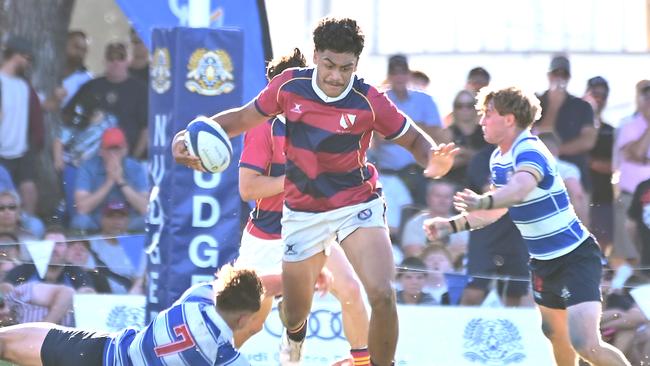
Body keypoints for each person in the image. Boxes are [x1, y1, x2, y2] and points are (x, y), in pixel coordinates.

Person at [173, 16, 457, 366]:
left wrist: (432, 158)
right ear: (316, 55)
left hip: (357, 202)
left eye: (346, 67)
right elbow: (243, 117)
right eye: (329, 65)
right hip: (302, 212)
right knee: (294, 311)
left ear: (357, 64)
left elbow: (412, 138)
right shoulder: (288, 87)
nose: (337, 75)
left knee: (380, 292)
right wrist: (188, 136)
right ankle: (293, 339)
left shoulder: (368, 99)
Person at [424, 86, 630, 365]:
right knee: (555, 335)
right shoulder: (498, 158)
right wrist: (451, 226)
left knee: (586, 344)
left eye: (488, 114)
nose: (481, 121)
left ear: (509, 119)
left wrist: (482, 202)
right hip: (543, 262)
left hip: (575, 257)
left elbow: (519, 189)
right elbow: (497, 210)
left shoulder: (529, 149)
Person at [235, 47, 370, 365]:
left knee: (350, 289)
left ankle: (361, 361)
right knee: (250, 322)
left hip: (309, 227)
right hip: (267, 236)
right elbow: (248, 188)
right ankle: (213, 354)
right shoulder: (262, 126)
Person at [0, 266, 263, 366]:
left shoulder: (196, 298)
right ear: (242, 320)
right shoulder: (227, 357)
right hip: (104, 355)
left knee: (5, 344)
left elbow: (222, 286)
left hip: (102, 353)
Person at [460, 145, 530, 307]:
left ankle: (510, 331)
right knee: (474, 293)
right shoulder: (483, 158)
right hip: (485, 232)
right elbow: (492, 192)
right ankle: (461, 330)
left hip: (519, 232)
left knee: (515, 293)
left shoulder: (531, 155)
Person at [64, 42, 148, 159]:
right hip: (91, 160)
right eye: (111, 58)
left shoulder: (141, 90)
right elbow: (70, 118)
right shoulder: (91, 87)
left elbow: (146, 129)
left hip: (126, 159)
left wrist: (134, 159)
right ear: (105, 61)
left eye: (120, 57)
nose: (115, 62)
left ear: (128, 60)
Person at [535, 54, 596, 192]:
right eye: (555, 73)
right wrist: (553, 106)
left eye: (564, 75)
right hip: (541, 176)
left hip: (575, 175)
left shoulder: (582, 106)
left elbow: (588, 141)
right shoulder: (535, 102)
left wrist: (557, 150)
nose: (559, 78)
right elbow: (538, 134)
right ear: (549, 75)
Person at [72, 127, 148, 232]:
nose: (113, 154)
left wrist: (121, 181)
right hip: (99, 220)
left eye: (117, 149)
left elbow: (145, 208)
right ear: (101, 151)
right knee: (80, 221)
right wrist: (109, 181)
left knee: (149, 220)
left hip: (127, 220)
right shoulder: (87, 167)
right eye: (109, 149)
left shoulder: (136, 168)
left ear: (125, 150)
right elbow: (82, 208)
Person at [0, 36, 44, 215]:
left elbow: (41, 107)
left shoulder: (24, 85)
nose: (28, 63)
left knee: (29, 191)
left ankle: (29, 230)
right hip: (1, 152)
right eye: (27, 58)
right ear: (17, 55)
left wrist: (56, 99)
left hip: (22, 151)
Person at [585, 76, 614, 255]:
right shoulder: (573, 127)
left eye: (603, 95)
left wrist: (588, 161)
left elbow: (613, 165)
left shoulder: (610, 130)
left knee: (601, 250)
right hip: (576, 196)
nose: (598, 98)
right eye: (594, 93)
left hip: (602, 198)